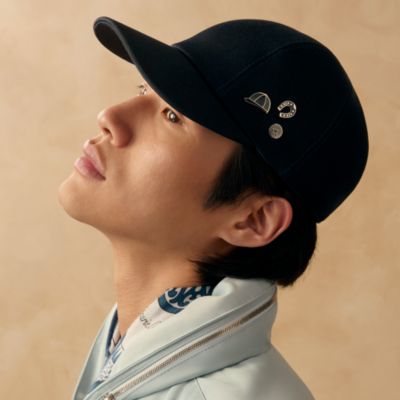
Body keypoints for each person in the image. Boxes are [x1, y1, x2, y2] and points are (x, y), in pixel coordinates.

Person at [58, 16, 369, 400]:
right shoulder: (132, 351)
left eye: (172, 116)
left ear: (253, 219)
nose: (110, 117)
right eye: (144, 90)